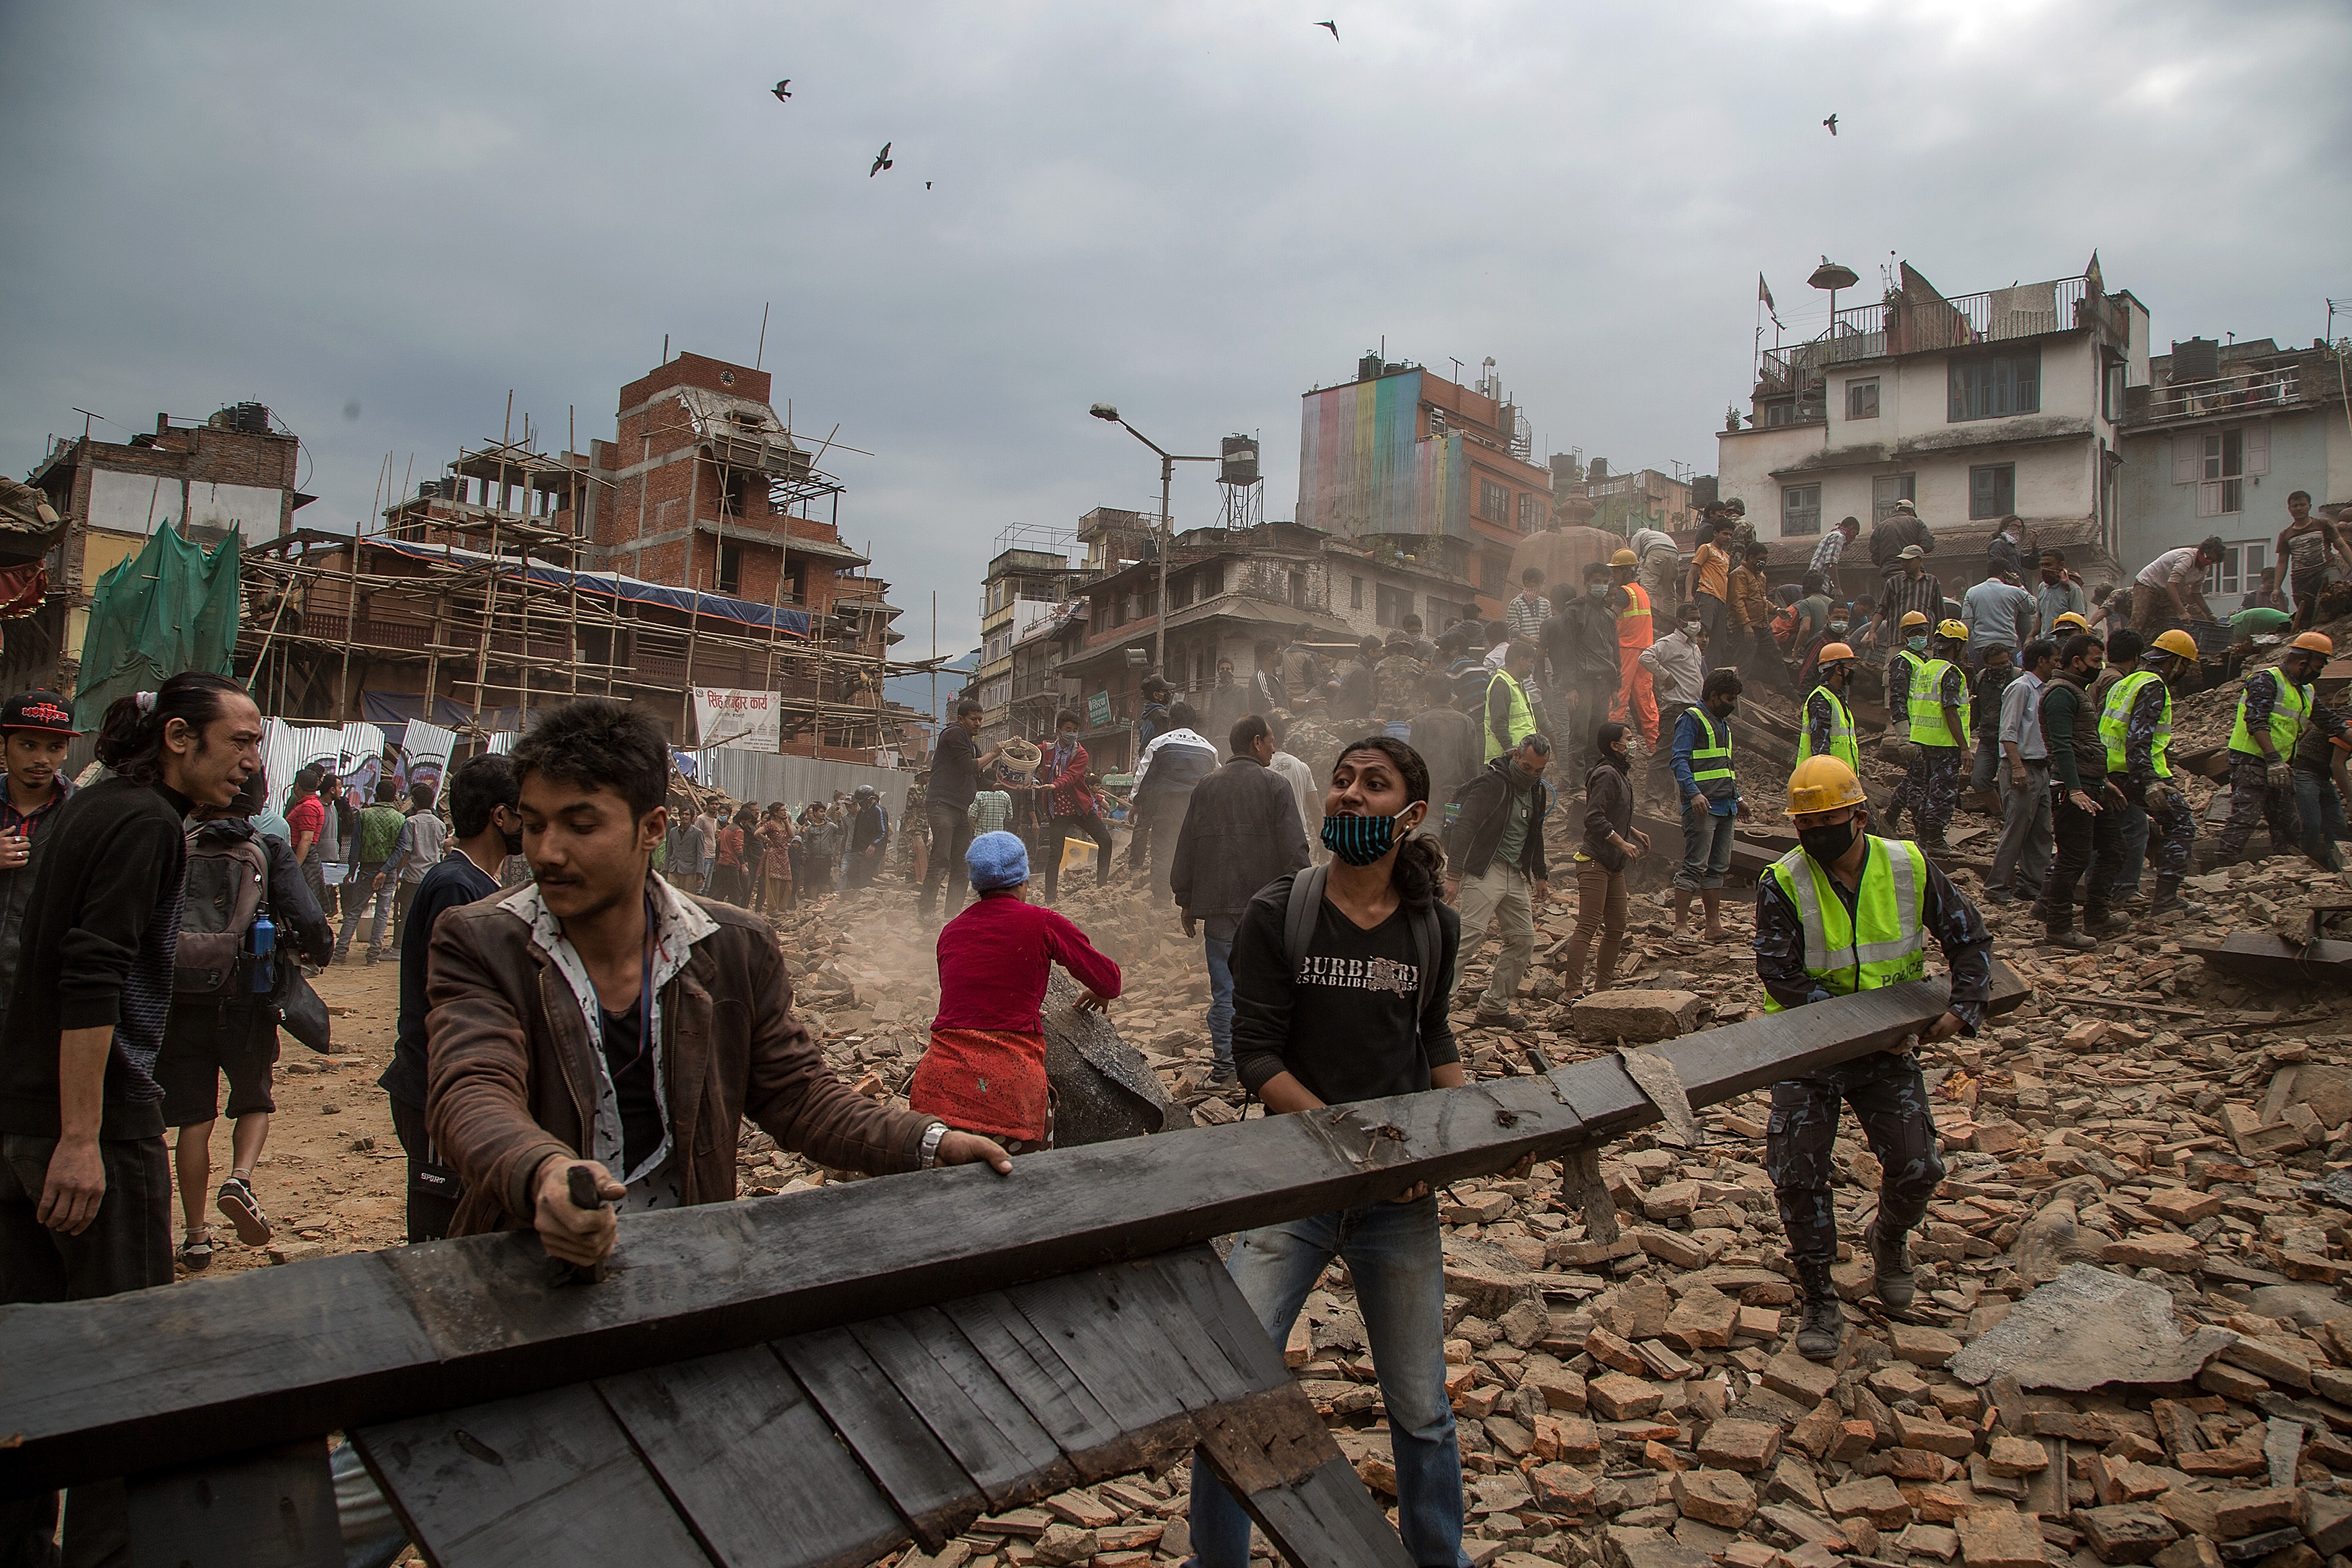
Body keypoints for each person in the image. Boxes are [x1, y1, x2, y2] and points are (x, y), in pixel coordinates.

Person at [425, 698, 1013, 1261]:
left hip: (691, 1255)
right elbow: (471, 1089)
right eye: (533, 825)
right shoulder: (483, 940)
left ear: (651, 828)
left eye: (580, 825)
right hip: (527, 1252)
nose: (547, 852)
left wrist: (929, 1143)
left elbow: (796, 1094)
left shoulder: (732, 946)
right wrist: (542, 1171)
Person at [0, 672, 261, 1563]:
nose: (251, 763)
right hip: (93, 1131)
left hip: (22, 1120)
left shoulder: (90, 807)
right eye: (241, 742)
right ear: (180, 739)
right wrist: (82, 1140)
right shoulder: (146, 822)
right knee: (127, 1372)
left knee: (27, 1369)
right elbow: (90, 972)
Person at [1190, 736, 1465, 1568]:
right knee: (1233, 1390)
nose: (1346, 795)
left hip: (1398, 1201)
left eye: (1371, 786)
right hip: (1293, 1188)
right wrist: (1347, 1142)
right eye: (1341, 781)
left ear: (1410, 816)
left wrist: (1468, 1129)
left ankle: (1440, 1560)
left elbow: (1433, 1033)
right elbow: (1257, 1055)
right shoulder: (1283, 912)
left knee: (1421, 1406)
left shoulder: (1433, 926)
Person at [1757, 755, 1991, 1360]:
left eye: (1826, 822)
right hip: (1805, 1046)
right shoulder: (1782, 881)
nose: (1814, 836)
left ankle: (1889, 1239)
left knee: (1919, 1167)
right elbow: (1780, 975)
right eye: (1804, 827)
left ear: (1859, 816)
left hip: (1888, 1048)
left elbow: (1968, 936)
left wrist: (1965, 1006)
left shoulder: (1907, 865)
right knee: (1798, 1174)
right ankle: (1818, 1296)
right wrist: (1857, 1026)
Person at [157, 771, 334, 1269]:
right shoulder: (269, 846)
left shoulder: (176, 839)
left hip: (182, 996)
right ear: (257, 802)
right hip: (247, 997)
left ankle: (195, 1237)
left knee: (193, 1118)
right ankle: (240, 1178)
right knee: (253, 1095)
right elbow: (306, 915)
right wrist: (317, 951)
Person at [380, 754, 523, 1243]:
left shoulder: (473, 883)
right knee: (441, 1239)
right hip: (441, 1091)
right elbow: (456, 1003)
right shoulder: (457, 887)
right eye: (527, 811)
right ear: (500, 817)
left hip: (450, 1088)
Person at [907, 831, 1122, 1152]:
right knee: (1023, 1192)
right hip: (1009, 1092)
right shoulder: (1043, 922)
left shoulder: (951, 931)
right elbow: (1110, 980)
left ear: (976, 884)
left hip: (937, 1092)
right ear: (1023, 881)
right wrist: (1099, 990)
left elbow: (967, 997)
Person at [1171, 715, 1311, 1083]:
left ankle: (1227, 1067)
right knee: (1269, 984)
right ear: (1255, 743)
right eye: (1270, 741)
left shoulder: (1206, 786)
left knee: (1225, 989)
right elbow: (1295, 848)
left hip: (1217, 907)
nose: (1274, 748)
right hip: (1266, 907)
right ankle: (1270, 1066)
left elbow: (1187, 843)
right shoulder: (1276, 786)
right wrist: (1301, 898)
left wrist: (1185, 898)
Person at [1445, 732, 1552, 1030]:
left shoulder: (1537, 792)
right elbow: (1464, 827)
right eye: (1528, 767)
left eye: (1539, 771)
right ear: (1516, 756)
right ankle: (1432, 1006)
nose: (1531, 775)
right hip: (1485, 868)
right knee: (1469, 936)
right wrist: (1454, 875)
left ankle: (1493, 1008)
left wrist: (1540, 874)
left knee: (1522, 940)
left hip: (1514, 872)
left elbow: (1536, 833)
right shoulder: (1493, 785)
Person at [2101, 628, 2207, 919]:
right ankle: (2166, 901)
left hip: (2113, 771)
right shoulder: (2153, 686)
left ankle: (2117, 891)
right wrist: (2150, 782)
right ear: (2176, 662)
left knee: (2126, 830)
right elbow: (2140, 737)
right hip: (2137, 773)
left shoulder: (2127, 682)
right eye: (2185, 665)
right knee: (2182, 825)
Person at [2215, 632, 2344, 867]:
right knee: (2245, 818)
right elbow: (2256, 721)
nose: (2320, 671)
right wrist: (2273, 759)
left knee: (2288, 824)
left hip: (2281, 766)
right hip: (2251, 761)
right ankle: (2223, 870)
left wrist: (2277, 763)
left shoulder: (2306, 692)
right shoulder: (2266, 680)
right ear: (2304, 662)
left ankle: (2284, 868)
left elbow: (2332, 724)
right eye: (2318, 665)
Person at [2034, 633, 2129, 949]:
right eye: (2094, 662)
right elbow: (2062, 747)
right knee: (2073, 858)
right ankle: (2059, 927)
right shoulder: (2062, 694)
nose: (2099, 668)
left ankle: (2098, 914)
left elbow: (2082, 744)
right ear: (2076, 662)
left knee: (2113, 847)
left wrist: (2103, 783)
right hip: (2074, 789)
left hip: (2090, 785)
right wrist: (2075, 789)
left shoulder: (2076, 691)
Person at [0, 690, 78, 1007]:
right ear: (4, 745)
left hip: (39, 993)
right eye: (28, 745)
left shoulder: (84, 814)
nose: (42, 760)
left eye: (55, 747)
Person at [1560, 721, 1647, 996]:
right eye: (1629, 739)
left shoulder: (1620, 773)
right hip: (1594, 860)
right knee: (1587, 925)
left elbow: (1613, 811)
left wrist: (1631, 829)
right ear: (1614, 746)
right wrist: (1621, 842)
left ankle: (1603, 989)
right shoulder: (1607, 774)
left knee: (1617, 926)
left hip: (1613, 863)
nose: (1634, 744)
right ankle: (1573, 990)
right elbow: (1594, 816)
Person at [1671, 668, 1748, 939]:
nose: (1733, 704)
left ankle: (1713, 927)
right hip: (1703, 806)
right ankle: (1681, 926)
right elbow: (1679, 760)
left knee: (1718, 867)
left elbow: (1724, 765)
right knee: (1694, 865)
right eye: (1729, 698)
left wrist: (1737, 797)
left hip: (1725, 804)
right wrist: (1693, 794)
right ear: (1713, 696)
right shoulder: (1691, 719)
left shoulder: (1721, 723)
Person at [1984, 640, 2057, 905]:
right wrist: (2017, 767)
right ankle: (1997, 887)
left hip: (2039, 767)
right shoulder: (2021, 688)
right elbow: (2008, 732)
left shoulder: (2043, 690)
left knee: (2041, 832)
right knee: (2016, 830)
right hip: (2021, 767)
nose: (2057, 664)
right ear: (2041, 661)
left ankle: (2032, 886)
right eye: (2054, 660)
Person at [921, 698, 1004, 919]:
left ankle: (952, 915)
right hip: (942, 805)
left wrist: (1004, 786)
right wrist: (994, 754)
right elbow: (968, 767)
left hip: (960, 809)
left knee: (961, 865)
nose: (978, 723)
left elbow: (979, 780)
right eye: (973, 719)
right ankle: (926, 912)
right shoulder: (955, 734)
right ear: (961, 719)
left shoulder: (972, 743)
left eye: (980, 719)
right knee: (940, 859)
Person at [1893, 621, 1972, 851]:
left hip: (1925, 739)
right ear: (1957, 646)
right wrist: (1965, 748)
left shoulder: (1927, 668)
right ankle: (1934, 839)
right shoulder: (1950, 672)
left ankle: (1925, 837)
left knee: (1929, 789)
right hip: (1945, 741)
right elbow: (1950, 710)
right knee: (1943, 792)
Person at [2088, 628, 2152, 907]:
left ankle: (2096, 889)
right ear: (2136, 657)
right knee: (2132, 827)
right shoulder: (2118, 680)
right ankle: (2122, 889)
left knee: (2102, 831)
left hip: (2101, 764)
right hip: (2113, 766)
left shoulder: (2105, 676)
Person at [1134, 702, 1220, 904]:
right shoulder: (1209, 748)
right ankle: (1196, 902)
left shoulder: (1158, 743)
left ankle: (1162, 901)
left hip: (1167, 807)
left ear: (1171, 721)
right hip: (1198, 809)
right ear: (1194, 723)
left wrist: (1136, 802)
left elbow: (1143, 776)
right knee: (1196, 853)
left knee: (1163, 853)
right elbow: (1217, 778)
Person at [1546, 561, 1622, 772]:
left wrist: (1615, 687)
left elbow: (1614, 652)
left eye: (1605, 582)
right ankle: (1576, 782)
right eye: (1597, 581)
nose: (1602, 586)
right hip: (1583, 682)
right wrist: (1570, 687)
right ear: (1586, 583)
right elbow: (1566, 651)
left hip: (1603, 683)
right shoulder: (1574, 611)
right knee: (1579, 733)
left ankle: (1592, 778)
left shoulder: (1609, 615)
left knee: (1598, 734)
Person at [1039, 709, 1113, 904]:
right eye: (1068, 729)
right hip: (1057, 810)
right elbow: (1029, 757)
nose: (1071, 733)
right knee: (1055, 853)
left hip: (1080, 808)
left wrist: (1055, 784)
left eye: (1075, 729)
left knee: (1105, 840)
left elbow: (1071, 776)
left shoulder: (1081, 754)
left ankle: (1102, 884)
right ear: (1058, 731)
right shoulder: (1046, 750)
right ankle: (1050, 898)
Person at [1639, 604, 1709, 807]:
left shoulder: (1694, 647)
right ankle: (1652, 802)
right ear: (1680, 621)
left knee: (1689, 756)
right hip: (1676, 707)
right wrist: (1665, 676)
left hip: (1694, 707)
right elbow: (1645, 657)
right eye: (1692, 619)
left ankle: (1684, 801)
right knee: (1664, 754)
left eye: (1698, 619)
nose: (1696, 623)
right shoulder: (1670, 643)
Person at [336, 779, 408, 964]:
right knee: (382, 913)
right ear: (394, 797)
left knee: (354, 911)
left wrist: (352, 870)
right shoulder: (400, 819)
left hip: (367, 870)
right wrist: (386, 870)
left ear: (376, 794)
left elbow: (356, 844)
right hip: (389, 872)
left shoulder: (364, 814)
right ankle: (373, 955)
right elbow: (400, 849)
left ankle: (340, 952)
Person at [376, 780, 449, 947]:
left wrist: (396, 873)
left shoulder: (411, 822)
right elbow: (440, 849)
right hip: (432, 875)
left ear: (414, 802)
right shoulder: (440, 824)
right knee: (428, 912)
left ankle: (399, 945)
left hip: (412, 876)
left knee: (405, 913)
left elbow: (406, 851)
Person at [2294, 698, 2352, 872]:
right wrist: (2350, 800)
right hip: (2304, 770)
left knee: (2337, 828)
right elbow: (2337, 765)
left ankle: (2339, 874)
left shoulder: (2338, 716)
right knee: (2311, 824)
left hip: (2322, 775)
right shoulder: (2348, 725)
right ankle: (2296, 868)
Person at [1407, 673, 1478, 813]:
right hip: (1456, 796)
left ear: (1428, 695)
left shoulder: (1420, 723)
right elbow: (1472, 766)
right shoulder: (1467, 723)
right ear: (1449, 695)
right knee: (1451, 830)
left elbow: (1413, 765)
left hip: (1429, 799)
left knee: (1428, 834)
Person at [1609, 547, 1659, 745]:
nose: (1614, 575)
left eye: (1616, 571)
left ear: (1628, 571)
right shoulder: (1642, 593)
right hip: (1646, 651)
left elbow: (1610, 617)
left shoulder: (1625, 592)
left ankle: (1614, 743)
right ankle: (1654, 744)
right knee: (1646, 700)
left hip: (1626, 650)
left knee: (1618, 698)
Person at [2133, 535, 2226, 638]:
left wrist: (2209, 614)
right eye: (2208, 558)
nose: (2209, 562)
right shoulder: (2186, 558)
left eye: (2214, 561)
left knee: (2168, 629)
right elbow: (2171, 585)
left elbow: (2196, 593)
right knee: (2139, 621)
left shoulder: (2204, 570)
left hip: (2166, 591)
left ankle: (2159, 652)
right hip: (2148, 584)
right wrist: (2182, 612)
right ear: (2200, 551)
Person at [2279, 492, 2347, 630]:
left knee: (2337, 590)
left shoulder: (2323, 524)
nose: (2299, 509)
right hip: (2301, 578)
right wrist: (2276, 588)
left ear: (2309, 506)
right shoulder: (2286, 534)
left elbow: (2341, 545)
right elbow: (2282, 562)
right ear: (2289, 509)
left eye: (2302, 505)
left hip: (2325, 569)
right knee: (2306, 616)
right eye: (2295, 506)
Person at [1965, 643, 2019, 803]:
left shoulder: (2019, 678)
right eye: (1996, 665)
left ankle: (2011, 819)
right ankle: (1999, 814)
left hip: (2012, 741)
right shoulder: (1981, 679)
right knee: (1978, 780)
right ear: (1987, 664)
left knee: (2009, 785)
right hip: (1988, 740)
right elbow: (1975, 713)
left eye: (2004, 663)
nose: (2002, 667)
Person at [1798, 642, 1861, 773]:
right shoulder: (1821, 699)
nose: (1852, 671)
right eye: (1849, 667)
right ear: (1838, 669)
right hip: (1825, 778)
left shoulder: (1837, 697)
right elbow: (1820, 748)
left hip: (1840, 776)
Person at [1873, 547, 1944, 654]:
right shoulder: (1894, 582)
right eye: (1903, 561)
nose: (1905, 564)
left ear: (1920, 560)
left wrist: (1939, 640)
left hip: (1924, 641)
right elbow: (1882, 609)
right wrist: (1872, 631)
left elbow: (1940, 615)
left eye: (1909, 561)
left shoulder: (1932, 582)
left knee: (1926, 670)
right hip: (1898, 640)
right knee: (1894, 669)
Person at [1962, 568, 2038, 668]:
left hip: (1982, 646)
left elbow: (1967, 624)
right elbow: (2032, 607)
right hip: (2007, 646)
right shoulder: (2014, 591)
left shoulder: (1972, 592)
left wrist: (1965, 648)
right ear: (2006, 574)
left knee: (1982, 680)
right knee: (2008, 680)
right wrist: (2019, 585)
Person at [1481, 640, 1542, 764]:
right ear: (1521, 660)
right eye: (1530, 662)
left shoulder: (1516, 684)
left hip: (1521, 756)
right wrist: (1510, 749)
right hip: (1507, 759)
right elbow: (1498, 723)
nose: (1531, 666)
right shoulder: (1501, 685)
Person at [1725, 542, 1776, 687]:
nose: (1764, 562)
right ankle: (1733, 693)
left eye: (1766, 559)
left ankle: (1788, 691)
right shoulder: (1739, 574)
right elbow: (1737, 602)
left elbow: (1762, 600)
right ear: (1751, 558)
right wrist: (1746, 624)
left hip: (1763, 626)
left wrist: (1777, 610)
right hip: (1747, 628)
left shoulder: (1761, 577)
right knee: (1743, 664)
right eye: (1761, 558)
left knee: (1776, 659)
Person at [287, 764, 329, 917]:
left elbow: (306, 839)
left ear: (297, 786)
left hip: (304, 858)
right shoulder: (309, 804)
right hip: (304, 857)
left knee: (306, 904)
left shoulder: (309, 807)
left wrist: (296, 866)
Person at [1371, 630, 1428, 738]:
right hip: (1409, 720)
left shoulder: (1379, 666)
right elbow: (1423, 693)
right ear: (1407, 647)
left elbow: (1374, 694)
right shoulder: (1417, 666)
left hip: (1383, 720)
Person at [1688, 521, 1733, 647]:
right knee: (1702, 635)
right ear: (1715, 533)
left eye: (1730, 535)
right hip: (1707, 595)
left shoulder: (1726, 556)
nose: (1728, 537)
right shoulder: (1706, 548)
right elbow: (1692, 573)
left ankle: (1713, 667)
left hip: (1721, 601)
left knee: (1719, 642)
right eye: (1725, 534)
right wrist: (1688, 594)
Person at [1868, 497, 1933, 572]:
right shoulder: (1917, 523)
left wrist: (1887, 564)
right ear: (1911, 511)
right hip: (1913, 573)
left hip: (1890, 572)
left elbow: (1875, 556)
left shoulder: (1880, 527)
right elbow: (1928, 546)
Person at [756, 802, 796, 912]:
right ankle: (773, 909)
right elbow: (757, 833)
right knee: (774, 882)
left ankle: (782, 907)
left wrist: (787, 823)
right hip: (773, 855)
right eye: (782, 810)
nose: (784, 812)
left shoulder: (785, 824)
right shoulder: (770, 824)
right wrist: (768, 841)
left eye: (785, 810)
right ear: (775, 813)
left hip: (784, 855)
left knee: (787, 883)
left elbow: (792, 836)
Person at [2035, 549, 2088, 632]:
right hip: (2045, 642)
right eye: (2042, 565)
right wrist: (2030, 636)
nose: (2044, 569)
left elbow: (2079, 621)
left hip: (2062, 641)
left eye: (2048, 565)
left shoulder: (2073, 589)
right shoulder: (2042, 587)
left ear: (2061, 565)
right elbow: (2040, 617)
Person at [1334, 634, 1383, 723]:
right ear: (1371, 652)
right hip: (1352, 721)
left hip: (1348, 718)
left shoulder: (1357, 666)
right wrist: (1380, 702)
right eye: (1379, 652)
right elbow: (1362, 704)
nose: (1381, 655)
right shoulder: (1359, 671)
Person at [845, 785, 887, 888]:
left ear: (870, 799)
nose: (860, 804)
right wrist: (854, 849)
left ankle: (867, 896)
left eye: (862, 802)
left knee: (865, 876)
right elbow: (858, 831)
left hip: (874, 851)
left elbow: (883, 832)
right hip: (860, 850)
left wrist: (873, 844)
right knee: (851, 873)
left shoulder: (879, 811)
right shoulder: (862, 812)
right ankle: (858, 893)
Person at [1204, 656, 1249, 751]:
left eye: (1228, 669)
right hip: (1217, 738)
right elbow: (1211, 715)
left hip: (1233, 738)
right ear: (1218, 672)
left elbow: (1245, 715)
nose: (1225, 671)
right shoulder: (1215, 692)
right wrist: (1210, 734)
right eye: (1222, 669)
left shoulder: (1240, 690)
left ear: (1232, 672)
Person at [1504, 567, 1550, 643]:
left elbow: (1549, 628)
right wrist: (1531, 641)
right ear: (1527, 583)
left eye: (1542, 582)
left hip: (1541, 650)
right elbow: (1512, 630)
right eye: (1536, 582)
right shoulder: (1516, 603)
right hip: (1521, 650)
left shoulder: (1546, 603)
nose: (1539, 585)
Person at [1809, 514, 1859, 581]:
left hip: (1813, 578)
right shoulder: (1839, 537)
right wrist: (1837, 587)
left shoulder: (1832, 534)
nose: (1853, 540)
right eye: (1854, 534)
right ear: (1851, 528)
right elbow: (1831, 562)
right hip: (1820, 581)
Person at [1247, 636, 1288, 717]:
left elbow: (1285, 701)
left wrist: (1307, 703)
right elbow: (1272, 712)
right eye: (1278, 652)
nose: (1281, 655)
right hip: (1271, 726)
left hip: (1283, 723)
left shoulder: (1277, 676)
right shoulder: (1260, 679)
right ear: (1269, 656)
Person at [1987, 514, 2027, 581]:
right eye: (2014, 526)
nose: (2017, 530)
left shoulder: (2014, 548)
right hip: (2008, 585)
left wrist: (2034, 546)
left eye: (2020, 527)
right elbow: (1997, 566)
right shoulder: (1999, 544)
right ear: (2004, 528)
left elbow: (2031, 564)